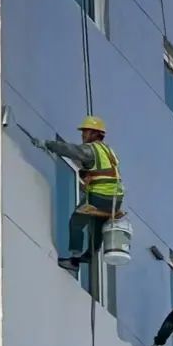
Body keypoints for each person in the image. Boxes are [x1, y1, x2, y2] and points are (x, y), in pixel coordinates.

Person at [32, 116, 124, 272]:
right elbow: (104, 172)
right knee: (97, 225)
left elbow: (70, 150)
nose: (83, 135)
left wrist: (47, 144)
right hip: (115, 200)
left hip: (100, 196)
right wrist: (85, 174)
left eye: (86, 132)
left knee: (76, 221)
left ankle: (74, 260)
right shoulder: (108, 151)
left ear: (95, 133)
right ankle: (90, 255)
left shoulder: (90, 149)